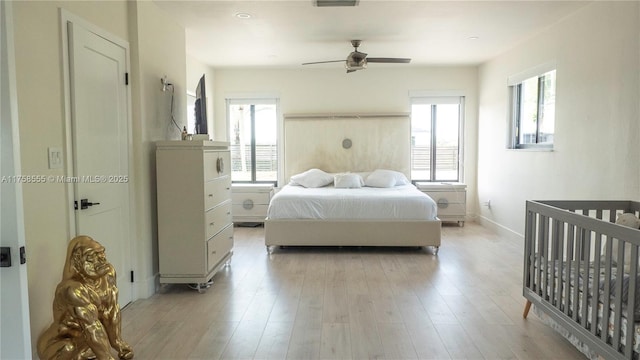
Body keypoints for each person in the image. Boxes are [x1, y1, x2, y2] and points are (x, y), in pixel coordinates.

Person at [37, 236, 133, 360]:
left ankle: (88, 353)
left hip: (86, 339)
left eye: (101, 253)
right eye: (91, 256)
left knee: (92, 344)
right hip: (61, 343)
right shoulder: (72, 290)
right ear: (77, 261)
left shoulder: (107, 274)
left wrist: (118, 343)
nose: (101, 259)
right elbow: (91, 325)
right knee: (69, 348)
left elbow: (111, 311)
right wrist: (107, 358)